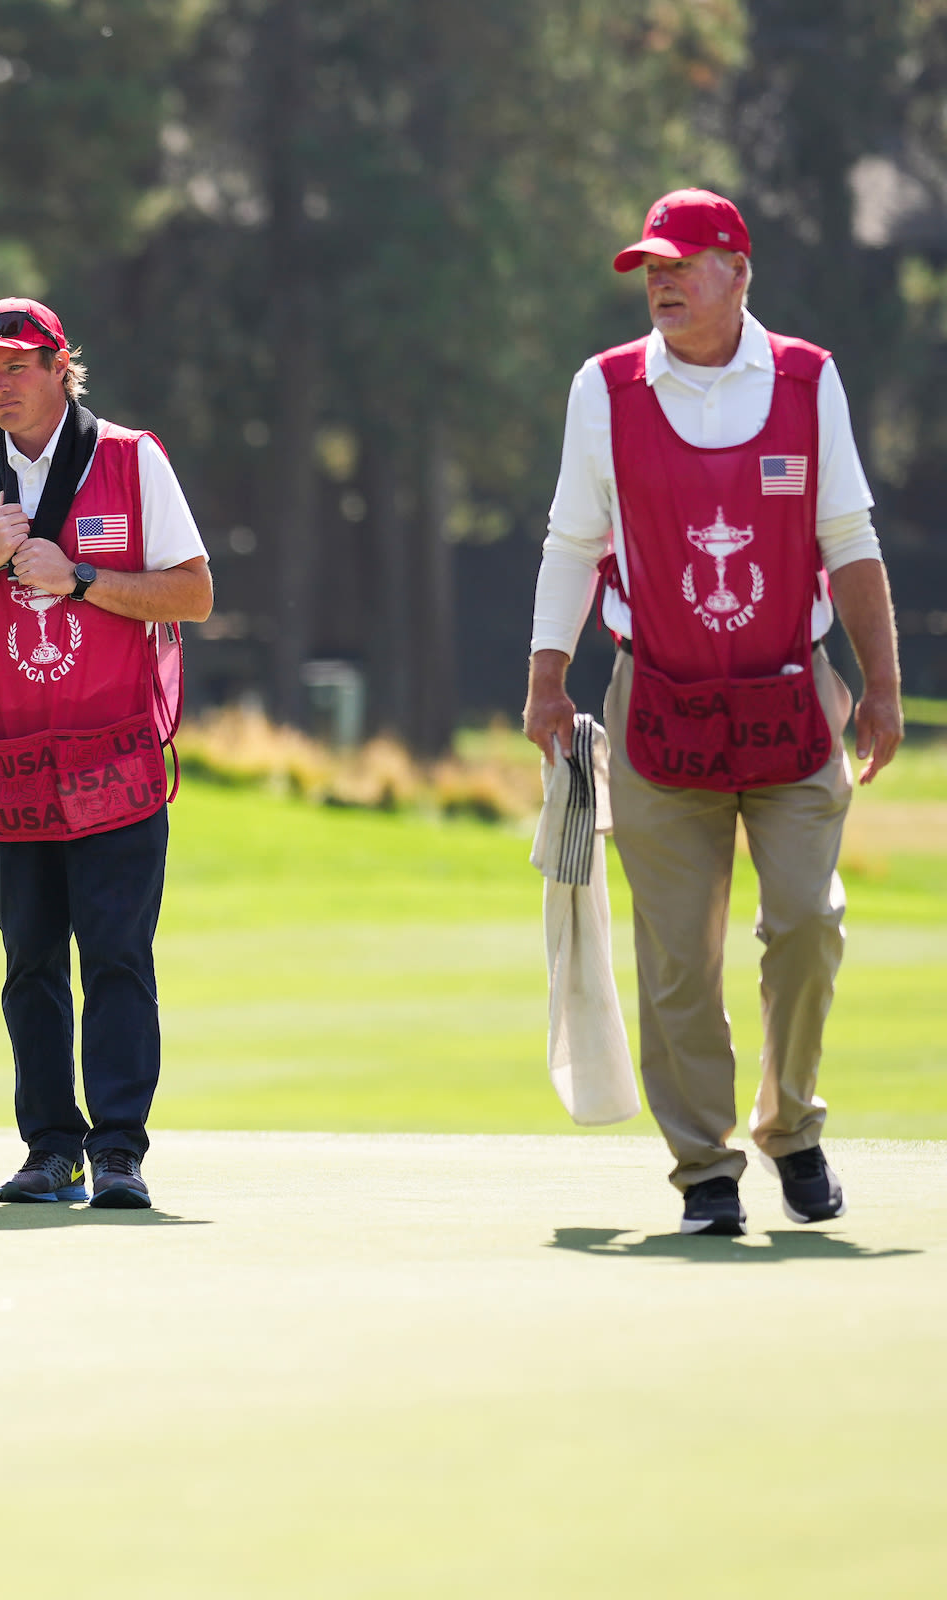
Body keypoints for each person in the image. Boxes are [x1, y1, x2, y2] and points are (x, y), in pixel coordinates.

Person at [522, 189, 905, 1236]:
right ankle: (706, 1168)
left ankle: (791, 1124)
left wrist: (880, 684)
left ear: (740, 271)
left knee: (808, 927)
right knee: (678, 957)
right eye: (651, 265)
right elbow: (571, 543)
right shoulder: (602, 388)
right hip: (658, 707)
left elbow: (850, 537)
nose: (663, 280)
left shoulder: (805, 378)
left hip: (792, 693)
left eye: (684, 262)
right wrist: (546, 677)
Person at [0, 297, 213, 1209]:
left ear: (58, 365)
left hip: (116, 753)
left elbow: (194, 595)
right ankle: (50, 1147)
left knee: (117, 956)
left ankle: (120, 1151)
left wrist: (78, 577)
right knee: (30, 962)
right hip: (10, 759)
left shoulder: (131, 459)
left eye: (15, 367)